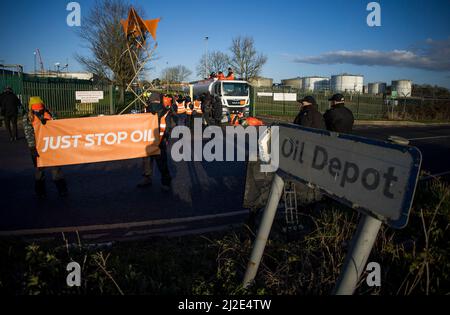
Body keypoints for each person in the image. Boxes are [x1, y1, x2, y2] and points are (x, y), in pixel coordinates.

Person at [23, 96, 68, 197]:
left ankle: (62, 189)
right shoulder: (27, 118)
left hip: (51, 145)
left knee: (56, 169)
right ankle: (40, 192)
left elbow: (58, 125)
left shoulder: (50, 114)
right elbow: (29, 134)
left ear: (43, 106)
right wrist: (32, 148)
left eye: (40, 107)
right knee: (39, 171)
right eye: (36, 108)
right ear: (31, 108)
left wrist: (49, 121)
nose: (38, 110)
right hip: (37, 148)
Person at [137, 92, 172, 191]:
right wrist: (166, 138)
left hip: (147, 140)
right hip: (160, 140)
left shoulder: (145, 110)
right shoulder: (165, 111)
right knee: (162, 162)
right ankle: (166, 183)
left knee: (147, 161)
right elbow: (168, 126)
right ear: (159, 99)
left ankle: (147, 178)